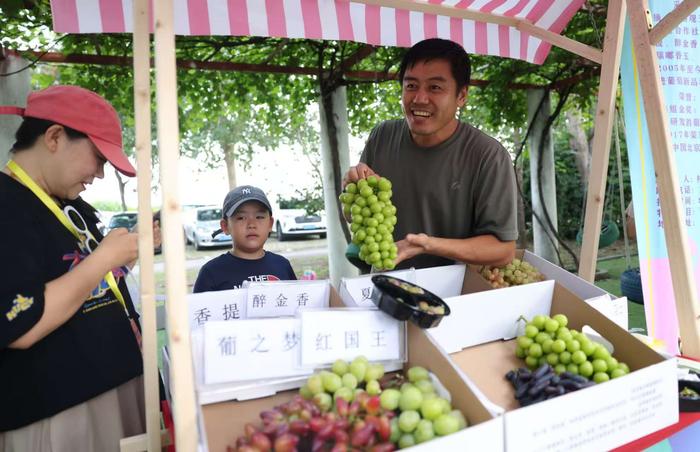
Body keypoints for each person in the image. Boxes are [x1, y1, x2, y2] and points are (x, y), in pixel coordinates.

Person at [0, 85, 144, 451]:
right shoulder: (7, 206)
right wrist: (104, 258)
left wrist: (118, 262)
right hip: (59, 413)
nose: (98, 174)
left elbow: (85, 283)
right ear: (54, 137)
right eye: (97, 158)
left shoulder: (70, 203)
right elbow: (20, 325)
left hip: (115, 387)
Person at [344, 38, 518, 270]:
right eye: (411, 86)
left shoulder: (488, 156)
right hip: (383, 285)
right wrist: (352, 192)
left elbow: (503, 250)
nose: (419, 99)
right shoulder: (382, 136)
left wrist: (428, 245)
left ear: (462, 96)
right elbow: (356, 218)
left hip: (454, 297)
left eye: (435, 87)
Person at [193, 185, 297, 292]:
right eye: (241, 218)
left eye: (259, 217)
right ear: (225, 226)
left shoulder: (282, 265)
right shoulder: (211, 273)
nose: (252, 224)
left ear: (270, 224)